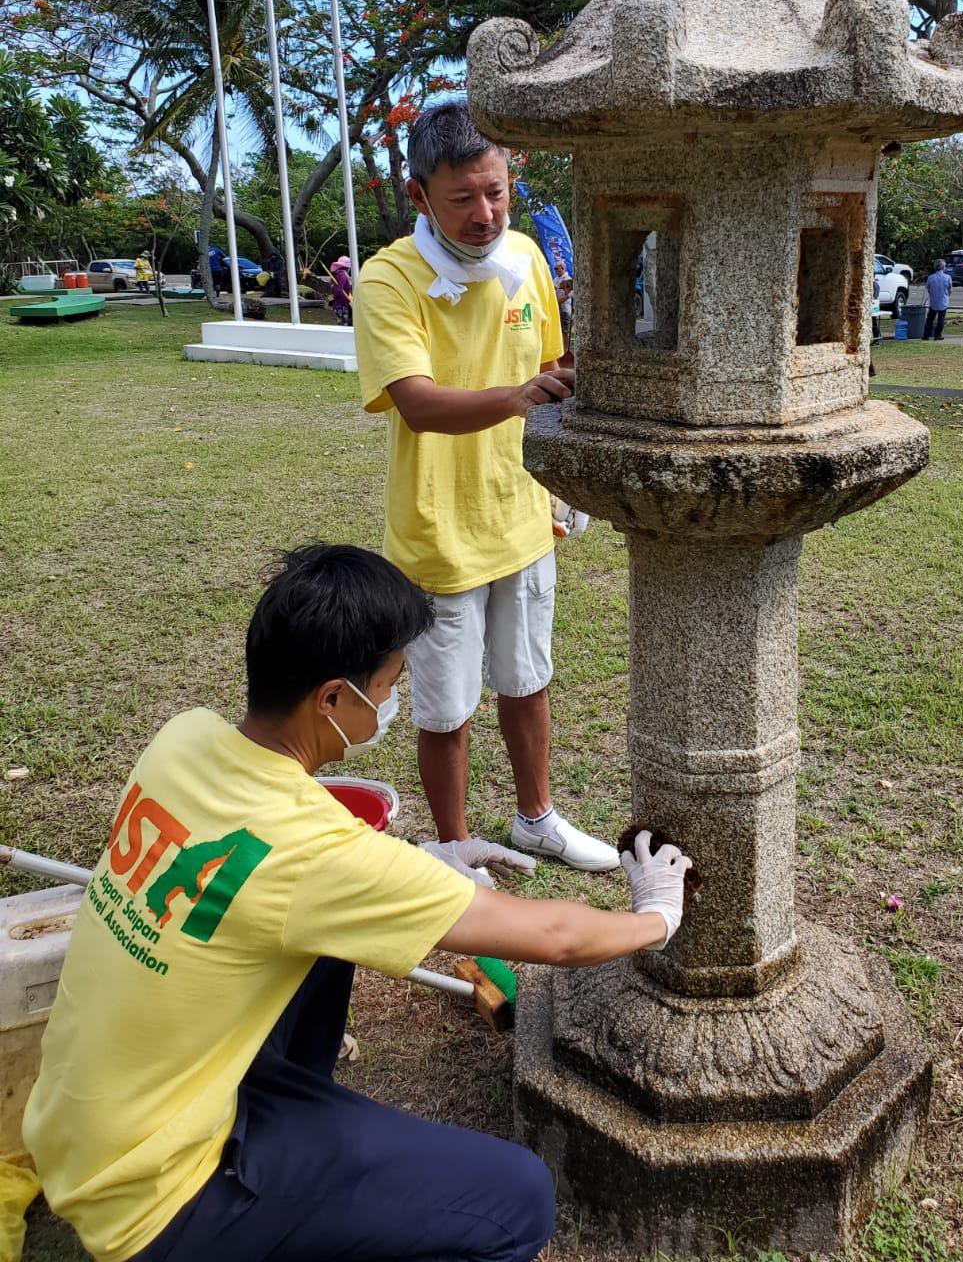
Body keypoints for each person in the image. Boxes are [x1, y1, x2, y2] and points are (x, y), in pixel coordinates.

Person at [23, 544, 692, 1262]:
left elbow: (282, 865)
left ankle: (294, 1125)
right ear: (334, 699)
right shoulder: (316, 858)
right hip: (158, 1201)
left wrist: (421, 862)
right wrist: (653, 916)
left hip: (76, 1128)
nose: (394, 699)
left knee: (321, 947)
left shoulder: (181, 739)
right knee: (519, 1199)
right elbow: (554, 935)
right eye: (390, 682)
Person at [354, 103, 617, 876]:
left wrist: (563, 491)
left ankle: (536, 818)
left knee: (528, 680)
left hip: (523, 514)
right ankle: (454, 842)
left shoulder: (528, 258)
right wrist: (519, 394)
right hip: (438, 530)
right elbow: (417, 402)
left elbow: (555, 371)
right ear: (419, 197)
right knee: (445, 707)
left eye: (495, 192)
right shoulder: (389, 278)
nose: (484, 213)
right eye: (463, 197)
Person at [923, 258, 953, 341]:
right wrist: (947, 296)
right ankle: (937, 335)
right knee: (941, 319)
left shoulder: (930, 277)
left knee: (930, 319)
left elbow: (928, 289)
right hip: (943, 300)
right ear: (943, 267)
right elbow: (950, 289)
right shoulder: (948, 277)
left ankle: (926, 335)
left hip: (933, 301)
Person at [329, 253, 353, 327]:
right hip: (341, 304)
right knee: (343, 325)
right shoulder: (342, 274)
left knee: (347, 323)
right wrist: (348, 300)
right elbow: (339, 290)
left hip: (343, 304)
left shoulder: (341, 274)